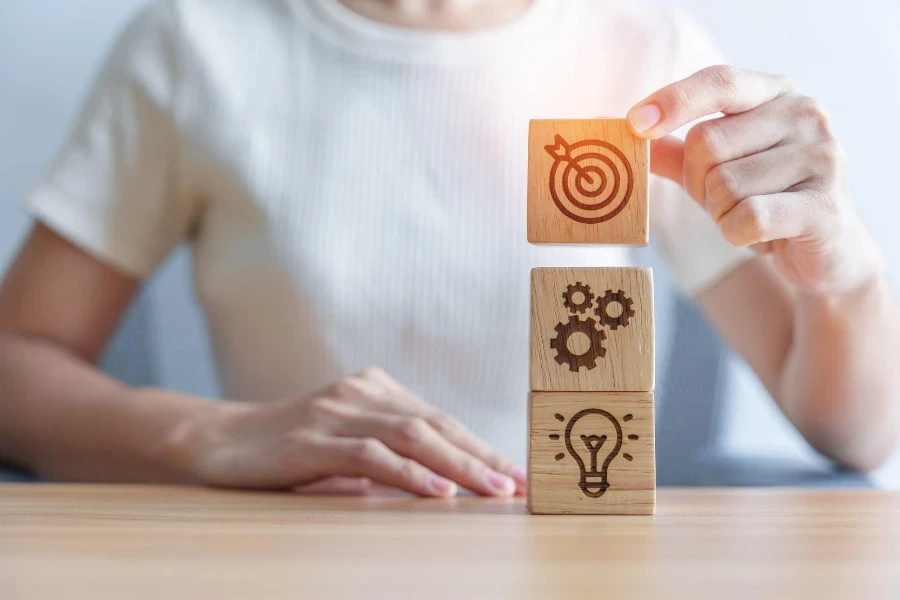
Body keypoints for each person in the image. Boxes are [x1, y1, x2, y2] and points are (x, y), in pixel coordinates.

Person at [0, 0, 897, 497]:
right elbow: (15, 367)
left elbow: (857, 435)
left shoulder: (639, 47)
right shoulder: (194, 43)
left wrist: (846, 274)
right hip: (294, 567)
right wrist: (209, 434)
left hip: (576, 567)